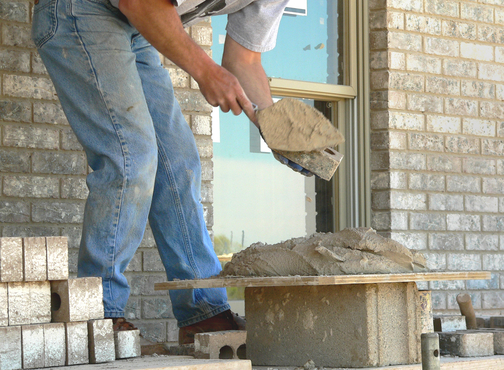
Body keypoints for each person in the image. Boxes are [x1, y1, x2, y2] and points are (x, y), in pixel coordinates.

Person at [32, 0, 307, 344]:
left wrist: (276, 125)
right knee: (130, 154)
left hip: (134, 25)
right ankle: (97, 311)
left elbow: (244, 60)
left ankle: (203, 313)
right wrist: (206, 72)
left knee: (179, 165)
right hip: (82, 8)